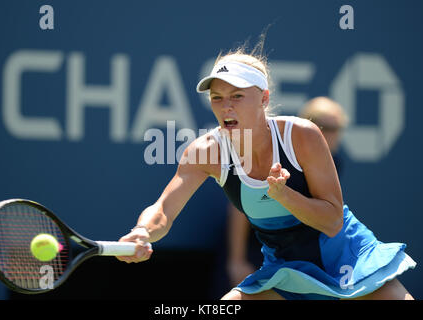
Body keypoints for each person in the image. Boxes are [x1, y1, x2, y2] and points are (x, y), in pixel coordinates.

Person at [116, 43, 416, 300]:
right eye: (217, 98)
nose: (225, 107)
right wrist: (142, 232)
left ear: (264, 99)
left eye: (237, 96)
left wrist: (285, 196)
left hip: (350, 257)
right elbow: (163, 210)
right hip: (286, 270)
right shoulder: (204, 151)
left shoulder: (302, 135)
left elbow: (332, 221)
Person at [225, 96, 349, 289]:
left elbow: (330, 216)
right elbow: (241, 209)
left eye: (336, 128)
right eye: (324, 127)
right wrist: (237, 260)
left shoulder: (336, 161)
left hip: (299, 253)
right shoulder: (280, 151)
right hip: (258, 247)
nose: (330, 134)